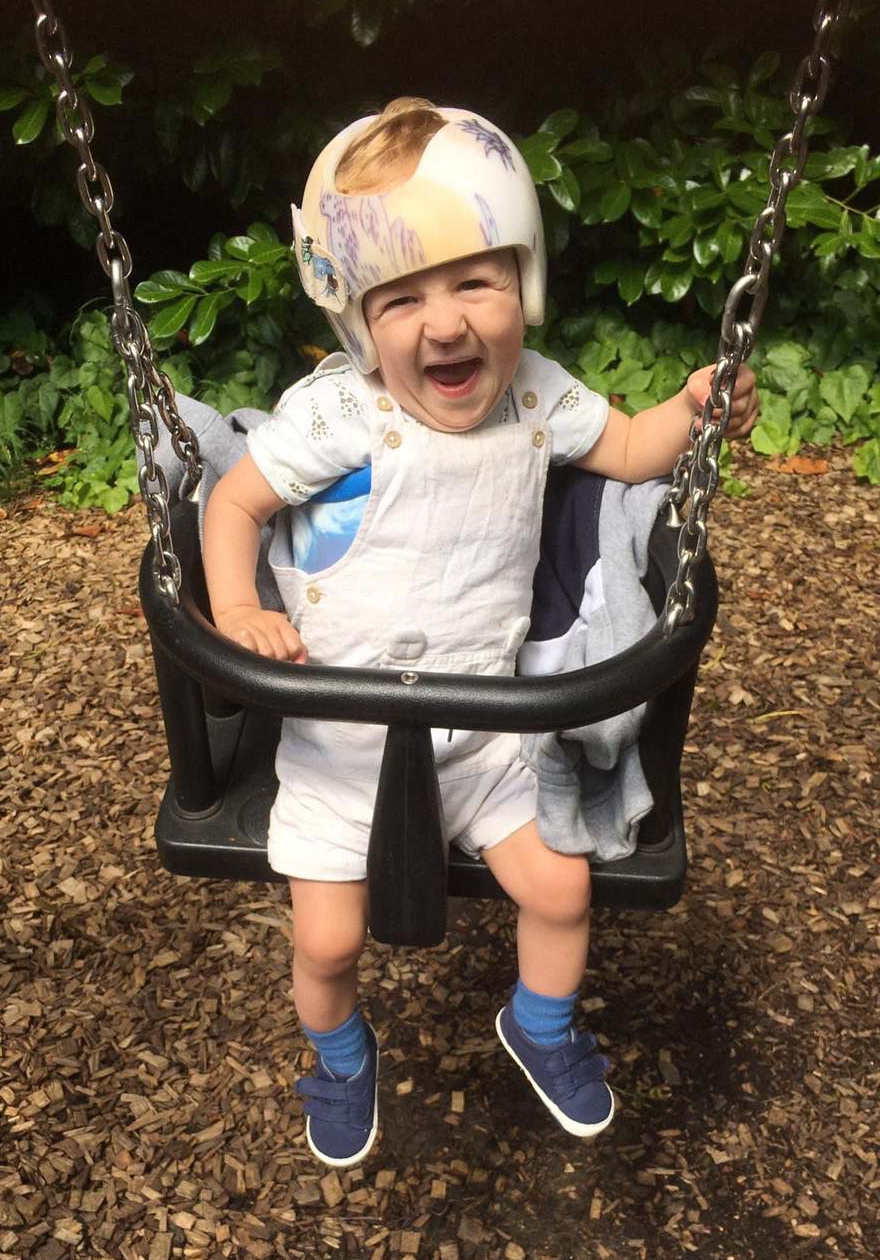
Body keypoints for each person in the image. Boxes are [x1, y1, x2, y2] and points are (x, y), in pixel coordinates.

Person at [203, 98, 758, 1168]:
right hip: (343, 737)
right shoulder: (337, 416)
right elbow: (234, 506)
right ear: (357, 321)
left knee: (562, 887)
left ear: (525, 282)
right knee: (323, 936)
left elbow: (639, 447)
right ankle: (340, 1054)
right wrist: (239, 609)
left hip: (488, 731)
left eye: (474, 279)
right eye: (401, 296)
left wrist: (694, 405)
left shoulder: (538, 398)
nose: (445, 323)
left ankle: (536, 1025)